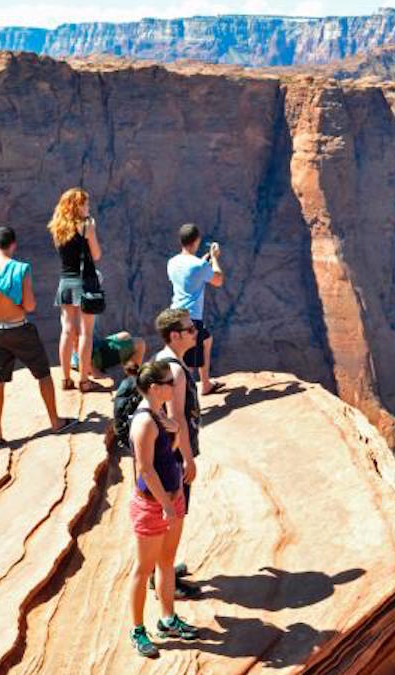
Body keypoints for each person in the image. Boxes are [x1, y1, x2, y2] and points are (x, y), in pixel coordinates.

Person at [0, 226, 75, 443]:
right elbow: (30, 304)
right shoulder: (20, 269)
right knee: (43, 373)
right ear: (13, 244)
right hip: (20, 329)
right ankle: (55, 421)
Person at [127, 360, 199, 658]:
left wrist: (173, 432)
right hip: (153, 505)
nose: (174, 385)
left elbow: (164, 458)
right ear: (155, 388)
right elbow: (145, 469)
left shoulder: (159, 416)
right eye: (169, 382)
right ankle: (138, 631)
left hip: (173, 497)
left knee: (166, 562)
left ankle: (167, 618)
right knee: (143, 570)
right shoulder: (144, 422)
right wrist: (167, 505)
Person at [151, 307, 203, 599]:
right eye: (190, 329)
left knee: (167, 514)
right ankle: (165, 580)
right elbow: (176, 418)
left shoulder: (163, 360)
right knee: (173, 516)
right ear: (175, 335)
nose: (195, 332)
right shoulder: (175, 372)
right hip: (173, 456)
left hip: (163, 453)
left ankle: (162, 569)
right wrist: (188, 458)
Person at [48, 187, 105, 393]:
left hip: (66, 282)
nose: (88, 207)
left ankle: (65, 379)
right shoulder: (86, 227)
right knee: (85, 334)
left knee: (66, 331)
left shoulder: (57, 228)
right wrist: (91, 229)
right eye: (85, 204)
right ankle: (83, 380)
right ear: (76, 206)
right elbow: (96, 255)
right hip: (86, 282)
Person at [166, 223, 224, 394]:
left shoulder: (172, 262)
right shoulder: (199, 266)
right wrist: (214, 259)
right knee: (188, 366)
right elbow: (218, 280)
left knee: (206, 340)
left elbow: (187, 276)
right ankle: (183, 404)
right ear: (197, 241)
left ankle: (205, 384)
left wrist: (202, 262)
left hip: (174, 315)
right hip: (190, 320)